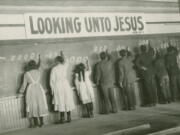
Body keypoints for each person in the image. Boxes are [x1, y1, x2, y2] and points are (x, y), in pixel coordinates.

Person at [18, 55, 48, 128]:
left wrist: (20, 92)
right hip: (39, 88)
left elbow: (24, 85)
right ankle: (42, 122)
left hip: (31, 89)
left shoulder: (26, 73)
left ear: (29, 65)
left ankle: (36, 123)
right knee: (40, 104)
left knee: (32, 105)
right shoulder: (38, 72)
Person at [50, 51, 75, 124]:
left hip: (58, 86)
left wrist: (52, 90)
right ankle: (69, 117)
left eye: (55, 61)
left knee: (61, 101)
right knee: (67, 100)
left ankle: (62, 118)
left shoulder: (54, 69)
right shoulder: (65, 66)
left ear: (57, 61)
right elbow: (67, 61)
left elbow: (51, 81)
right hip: (65, 84)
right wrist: (63, 54)